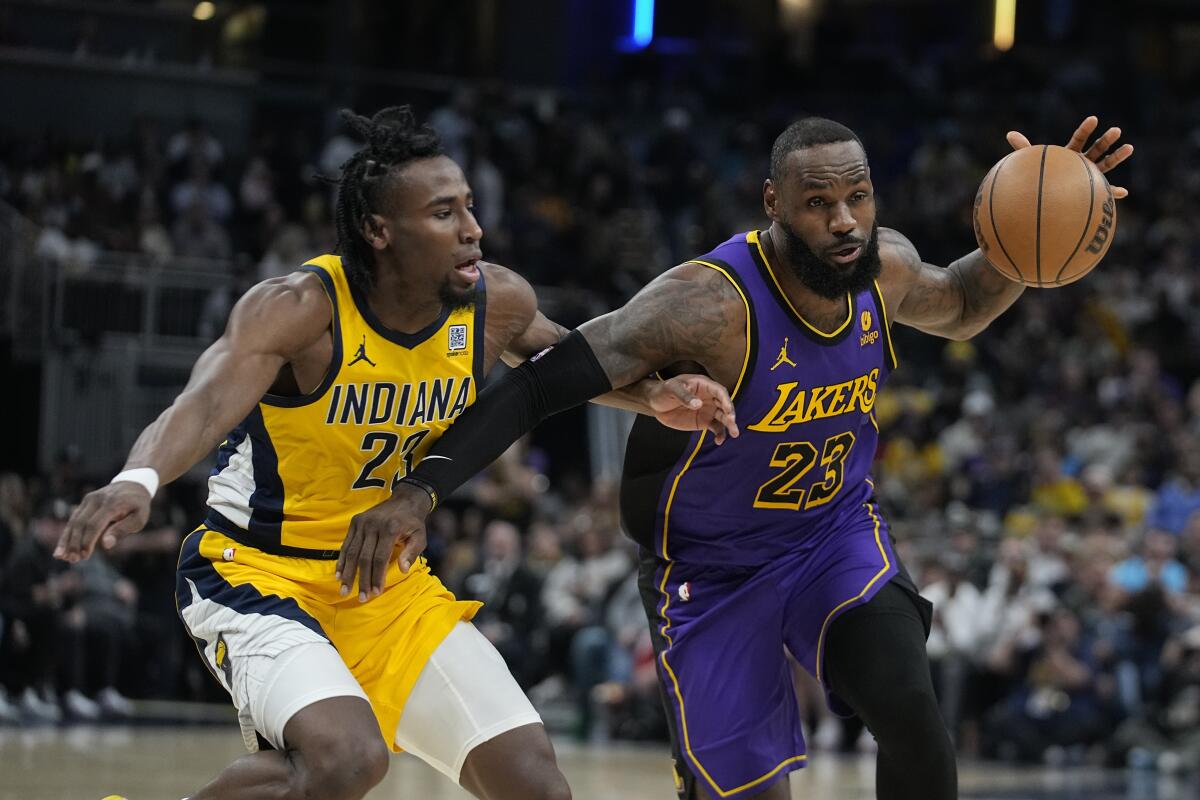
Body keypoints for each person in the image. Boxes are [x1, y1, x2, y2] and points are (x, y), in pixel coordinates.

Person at [360, 115, 1134, 799]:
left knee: (909, 705)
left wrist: (1038, 223)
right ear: (774, 206)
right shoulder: (704, 305)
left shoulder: (885, 269)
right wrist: (421, 492)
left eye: (858, 198)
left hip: (831, 537)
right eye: (819, 203)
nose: (845, 222)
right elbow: (535, 389)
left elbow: (963, 302)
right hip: (710, 567)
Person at [54, 106, 735, 800]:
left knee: (537, 787)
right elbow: (200, 402)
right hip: (256, 574)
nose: (473, 229)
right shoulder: (301, 308)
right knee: (348, 759)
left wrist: (654, 394)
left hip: (387, 586)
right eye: (444, 214)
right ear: (380, 230)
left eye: (469, 207)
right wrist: (138, 479)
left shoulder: (493, 302)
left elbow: (568, 361)